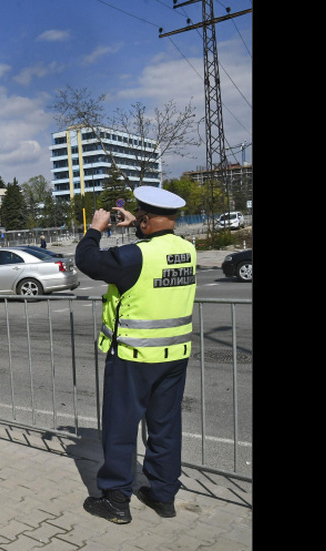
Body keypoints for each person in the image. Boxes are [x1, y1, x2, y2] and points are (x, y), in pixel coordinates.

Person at [74, 186, 197, 525]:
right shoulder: (188, 249)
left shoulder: (136, 256)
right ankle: (163, 494)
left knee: (120, 427)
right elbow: (159, 246)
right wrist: (139, 225)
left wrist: (95, 229)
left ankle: (115, 499)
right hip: (175, 355)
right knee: (165, 427)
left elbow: (87, 260)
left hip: (134, 355)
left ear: (144, 220)